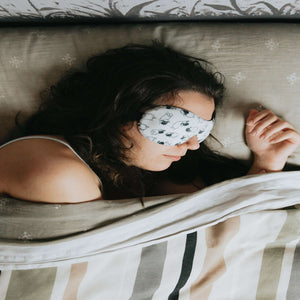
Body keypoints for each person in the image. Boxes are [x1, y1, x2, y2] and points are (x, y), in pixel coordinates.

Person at [0, 42, 299, 204]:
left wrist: (267, 161)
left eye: (200, 130)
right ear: (116, 110)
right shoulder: (61, 174)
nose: (192, 144)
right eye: (176, 125)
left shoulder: (132, 175)